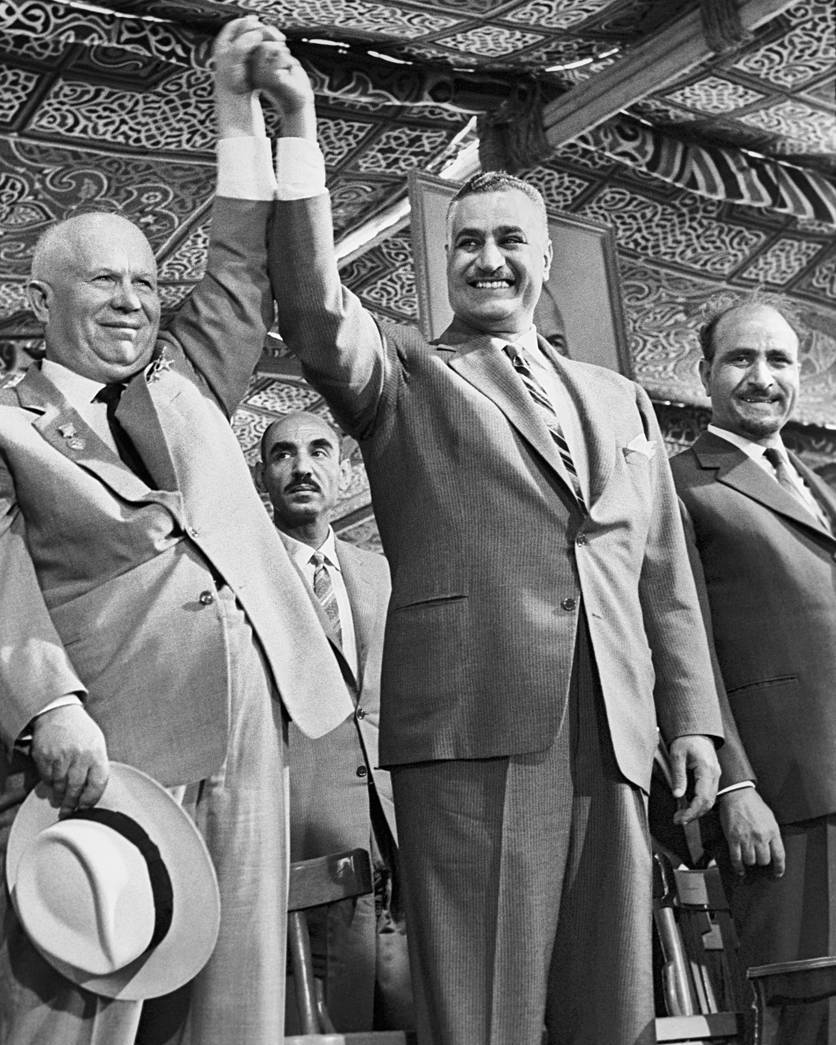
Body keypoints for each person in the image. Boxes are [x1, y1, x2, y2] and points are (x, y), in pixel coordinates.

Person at [249, 40, 724, 1045]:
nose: (489, 259)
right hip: (475, 732)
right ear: (445, 259)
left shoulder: (622, 399)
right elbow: (312, 307)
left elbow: (664, 574)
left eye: (510, 240)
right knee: (484, 1015)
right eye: (468, 243)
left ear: (544, 260)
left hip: (618, 731)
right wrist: (293, 134)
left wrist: (691, 718)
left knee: (614, 1010)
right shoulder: (410, 374)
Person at [0, 18, 350, 1045]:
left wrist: (245, 116)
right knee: (77, 1018)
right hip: (100, 758)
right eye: (105, 280)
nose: (133, 299)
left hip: (246, 745)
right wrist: (50, 709)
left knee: (230, 1018)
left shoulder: (188, 382)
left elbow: (240, 268)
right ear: (43, 299)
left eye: (148, 281)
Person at [671, 297, 836, 1042]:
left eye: (779, 360)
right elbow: (682, 644)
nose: (762, 376)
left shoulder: (817, 485)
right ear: (705, 373)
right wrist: (735, 784)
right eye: (742, 358)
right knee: (807, 1013)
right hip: (782, 798)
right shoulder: (679, 484)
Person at [256, 411, 414, 1033]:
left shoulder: (381, 571)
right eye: (283, 455)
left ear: (344, 472)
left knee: (408, 1009)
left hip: (393, 823)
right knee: (320, 1011)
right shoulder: (246, 571)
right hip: (299, 822)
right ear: (261, 475)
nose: (302, 466)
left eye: (319, 451)